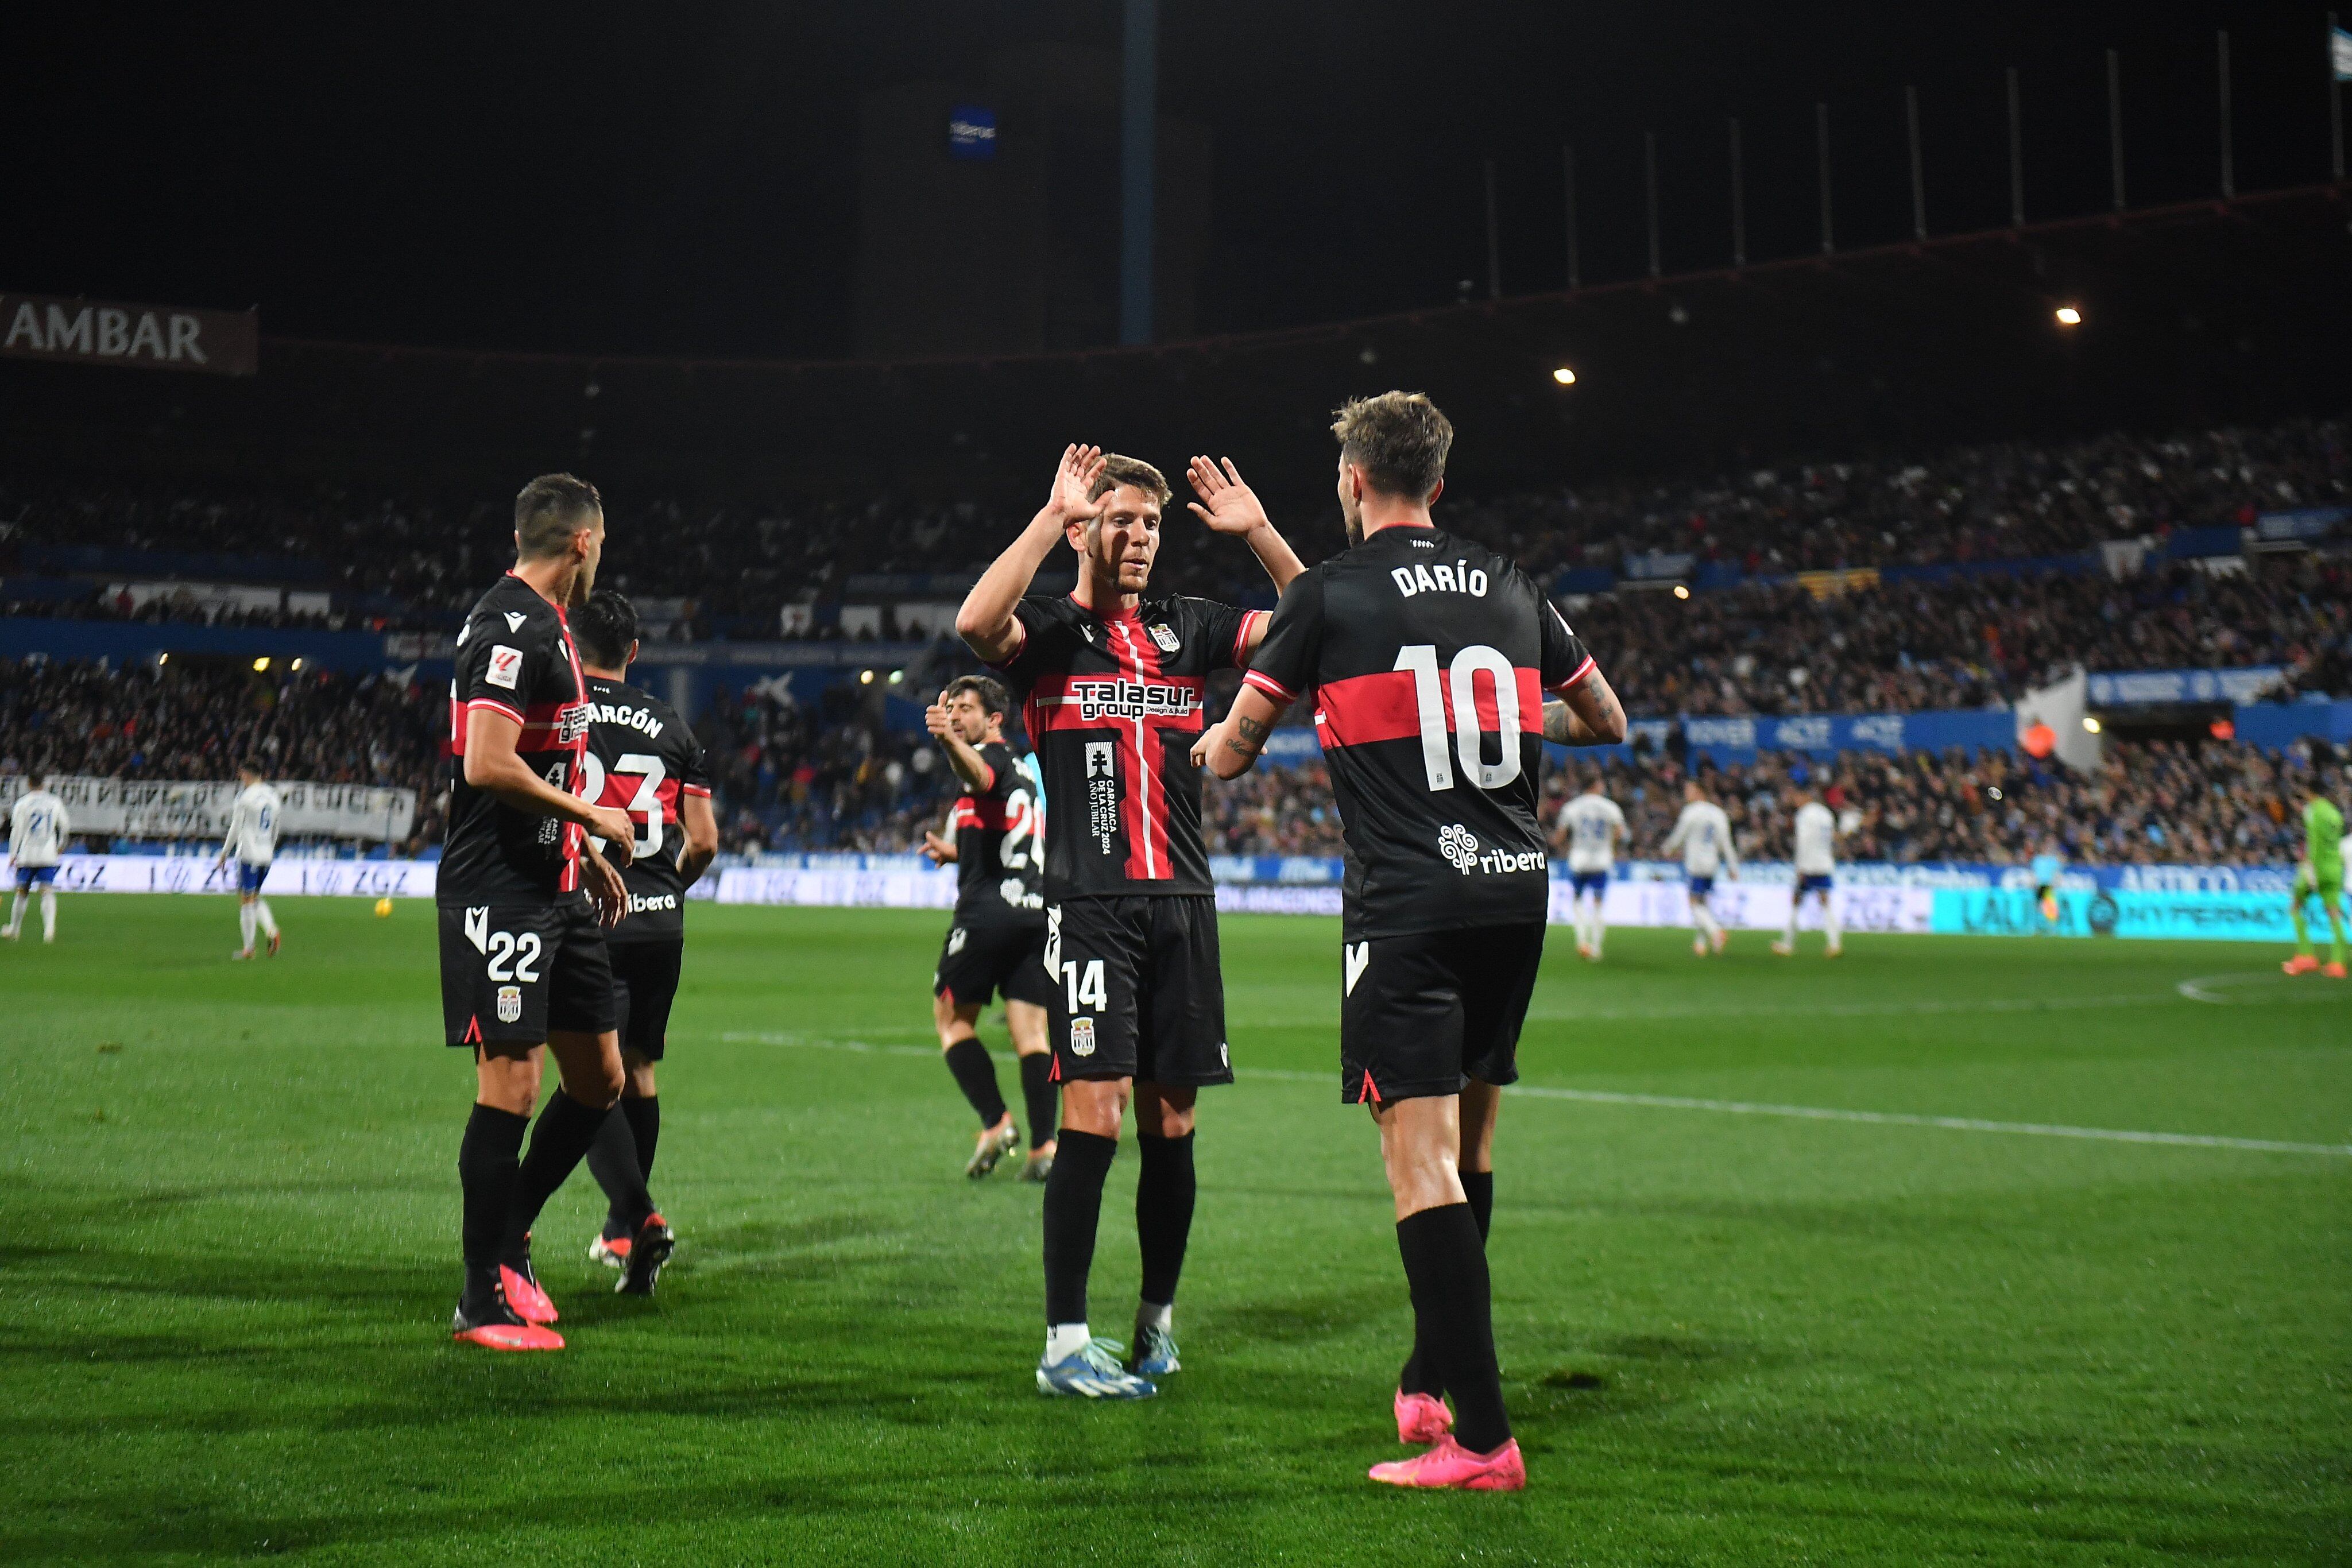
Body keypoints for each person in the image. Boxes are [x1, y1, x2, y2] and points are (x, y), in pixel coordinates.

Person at [1196, 390, 1625, 1491]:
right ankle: (1431, 1375)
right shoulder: (1511, 583)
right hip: (1513, 893)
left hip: (1410, 905)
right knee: (1471, 1143)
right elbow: (1605, 720)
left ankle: (1480, 1438)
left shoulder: (1331, 594)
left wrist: (1200, 743)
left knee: (1417, 1162)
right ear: (1438, 484)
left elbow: (1240, 751)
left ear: (1352, 481)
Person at [957, 443, 1302, 1399]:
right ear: (1085, 529)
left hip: (1186, 906)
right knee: (1094, 1113)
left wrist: (1260, 534)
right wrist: (1048, 512)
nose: (1141, 536)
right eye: (1122, 520)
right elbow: (975, 621)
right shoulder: (1052, 635)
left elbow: (1317, 623)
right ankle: (1066, 1343)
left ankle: (1155, 1323)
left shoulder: (1192, 628)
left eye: (1151, 522)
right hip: (1093, 907)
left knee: (1174, 1118)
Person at [439, 473, 645, 1352]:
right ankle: (480, 1296)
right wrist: (595, 815)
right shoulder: (508, 625)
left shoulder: (551, 624)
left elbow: (539, 764)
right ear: (585, 543)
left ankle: (511, 1233)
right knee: (512, 1085)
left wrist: (586, 851)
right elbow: (486, 763)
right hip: (502, 888)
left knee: (599, 1078)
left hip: (559, 881)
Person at [570, 590, 718, 1291]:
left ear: (572, 645)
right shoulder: (673, 726)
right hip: (660, 921)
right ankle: (620, 1230)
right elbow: (707, 842)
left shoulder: (563, 715)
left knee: (588, 1077)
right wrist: (670, 891)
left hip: (587, 916)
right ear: (634, 652)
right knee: (641, 1070)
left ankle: (638, 1215)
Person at [918, 675, 1058, 1182]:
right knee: (1031, 1032)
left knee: (951, 1019)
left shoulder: (991, 759)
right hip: (1034, 909)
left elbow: (978, 776)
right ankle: (1045, 1145)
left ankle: (995, 1122)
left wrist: (950, 741)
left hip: (988, 912)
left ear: (994, 720)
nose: (955, 714)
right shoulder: (1024, 773)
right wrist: (956, 851)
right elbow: (1010, 837)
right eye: (950, 706)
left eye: (966, 709)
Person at [214, 760, 284, 960]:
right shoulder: (273, 796)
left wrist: (224, 853)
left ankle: (249, 949)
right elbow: (276, 828)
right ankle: (271, 931)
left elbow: (236, 827)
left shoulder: (245, 798)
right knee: (254, 898)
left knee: (246, 900)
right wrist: (270, 848)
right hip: (266, 854)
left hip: (249, 854)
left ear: (246, 775)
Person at [1662, 780, 1738, 957]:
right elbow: (1726, 844)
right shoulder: (1719, 814)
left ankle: (1715, 932)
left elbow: (1679, 835)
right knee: (1703, 902)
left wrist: (1667, 849)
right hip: (1712, 863)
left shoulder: (1691, 812)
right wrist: (1733, 866)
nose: (1686, 793)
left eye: (1689, 790)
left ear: (1699, 792)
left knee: (1694, 903)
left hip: (1696, 863)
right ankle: (1701, 943)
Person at [1554, 776, 1626, 961]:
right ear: (1596, 786)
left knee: (1577, 900)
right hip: (1601, 860)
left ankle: (1582, 941)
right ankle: (1596, 948)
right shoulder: (1610, 807)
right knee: (1598, 905)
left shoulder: (1572, 807)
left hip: (1579, 860)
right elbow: (1620, 832)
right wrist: (1609, 844)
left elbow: (1561, 835)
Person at [2283, 785, 2346, 978]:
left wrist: (2310, 869)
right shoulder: (2335, 812)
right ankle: (2338, 963)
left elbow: (2313, 842)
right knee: (2334, 914)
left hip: (2316, 867)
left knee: (2295, 907)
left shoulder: (2312, 810)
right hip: (2335, 867)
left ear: (2306, 793)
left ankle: (2306, 956)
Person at [1773, 785, 1842, 958]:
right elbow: (1832, 839)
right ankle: (1834, 944)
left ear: (1805, 797)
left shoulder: (1804, 815)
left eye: (1796, 797)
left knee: (1796, 902)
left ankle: (1788, 943)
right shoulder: (1826, 813)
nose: (1795, 801)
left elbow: (1802, 841)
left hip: (1809, 865)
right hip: (1824, 862)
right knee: (1825, 903)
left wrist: (1799, 867)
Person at [3, 775, 69, 944]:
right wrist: (60, 845)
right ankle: (49, 932)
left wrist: (13, 855)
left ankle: (15, 930)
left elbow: (16, 831)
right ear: (44, 784)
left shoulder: (23, 803)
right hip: (48, 854)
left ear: (29, 783)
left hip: (27, 854)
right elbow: (65, 826)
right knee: (47, 891)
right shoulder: (54, 802)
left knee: (22, 892)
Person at [2030, 841, 2065, 932]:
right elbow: (2034, 873)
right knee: (2037, 907)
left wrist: (2056, 883)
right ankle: (2035, 926)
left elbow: (2057, 872)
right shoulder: (2037, 860)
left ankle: (2052, 927)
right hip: (2039, 885)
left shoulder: (2053, 860)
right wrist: (2033, 883)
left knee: (2050, 906)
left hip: (2049, 885)